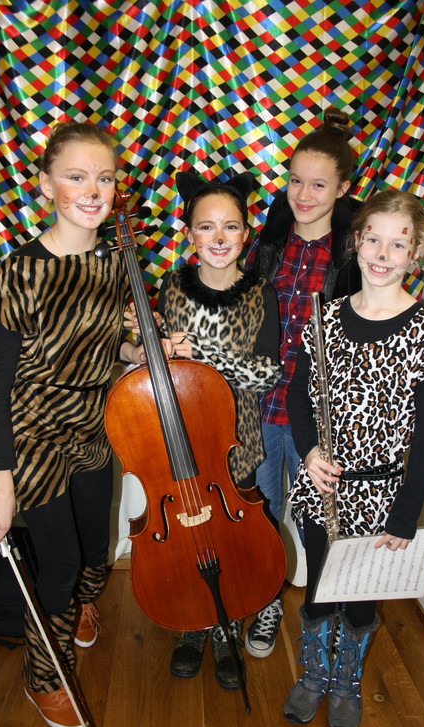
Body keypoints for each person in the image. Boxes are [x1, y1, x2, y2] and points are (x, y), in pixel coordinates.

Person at [0, 121, 146, 727]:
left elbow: (103, 345)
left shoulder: (115, 261)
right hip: (35, 433)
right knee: (62, 559)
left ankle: (77, 605)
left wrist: (140, 351)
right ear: (46, 184)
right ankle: (42, 675)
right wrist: (1, 485)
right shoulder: (18, 273)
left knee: (97, 546)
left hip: (95, 425)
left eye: (105, 178)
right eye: (76, 176)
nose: (93, 190)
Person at [284, 189, 424, 727]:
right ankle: (315, 673)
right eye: (374, 240)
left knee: (361, 599)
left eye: (398, 244)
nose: (383, 254)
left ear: (416, 253)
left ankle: (346, 682)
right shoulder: (325, 317)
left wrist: (406, 514)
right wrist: (310, 451)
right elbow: (298, 397)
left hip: (381, 495)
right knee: (319, 587)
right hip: (322, 485)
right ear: (357, 241)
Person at [126, 170, 281, 689]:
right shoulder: (172, 287)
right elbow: (159, 367)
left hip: (234, 440)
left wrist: (205, 352)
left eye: (230, 226)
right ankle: (195, 621)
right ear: (189, 233)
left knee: (230, 540)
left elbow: (266, 374)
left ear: (245, 233)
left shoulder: (261, 292)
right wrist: (148, 344)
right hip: (177, 438)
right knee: (187, 536)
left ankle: (226, 624)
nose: (218, 237)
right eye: (206, 226)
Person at [243, 106, 362, 659]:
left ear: (342, 188)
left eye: (318, 184)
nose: (304, 194)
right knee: (263, 512)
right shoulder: (266, 245)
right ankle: (267, 601)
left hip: (319, 415)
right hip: (261, 408)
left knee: (321, 523)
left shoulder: (354, 256)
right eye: (295, 180)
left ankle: (322, 617)